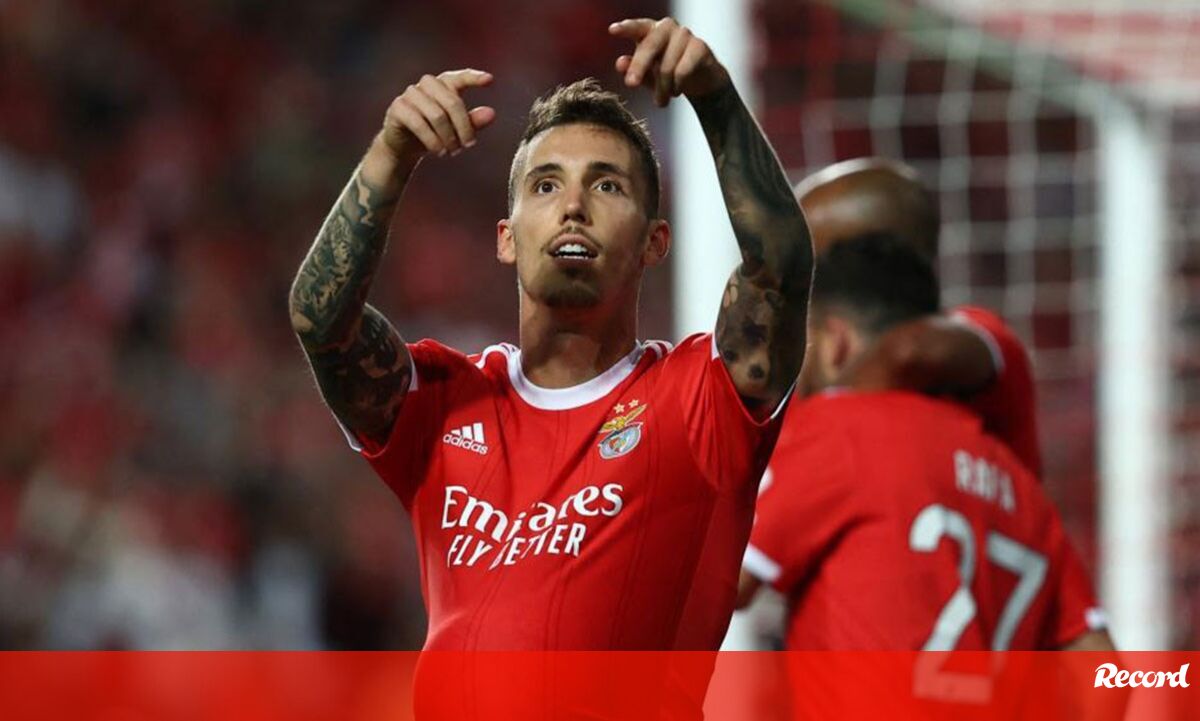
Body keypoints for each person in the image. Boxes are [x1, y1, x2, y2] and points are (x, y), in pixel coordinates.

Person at [288, 17, 811, 652]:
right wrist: (391, 155)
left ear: (655, 242)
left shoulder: (701, 403)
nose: (573, 206)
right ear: (506, 238)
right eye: (545, 185)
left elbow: (779, 270)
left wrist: (716, 97)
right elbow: (322, 320)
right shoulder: (444, 400)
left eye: (607, 185)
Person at [736, 233, 1110, 653]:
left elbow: (726, 579)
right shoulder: (1019, 486)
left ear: (833, 343)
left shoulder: (837, 430)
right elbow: (1100, 665)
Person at [795, 158, 1042, 473]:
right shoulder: (810, 356)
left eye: (807, 254)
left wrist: (824, 407)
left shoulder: (981, 336)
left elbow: (910, 351)